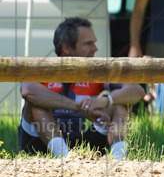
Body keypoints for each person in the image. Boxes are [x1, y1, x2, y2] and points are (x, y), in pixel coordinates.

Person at [20, 17, 145, 159]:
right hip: (40, 142)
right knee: (35, 105)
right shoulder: (43, 68)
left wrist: (105, 101)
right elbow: (27, 91)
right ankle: (65, 159)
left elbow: (137, 90)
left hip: (85, 136)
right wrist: (78, 107)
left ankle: (119, 161)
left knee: (119, 103)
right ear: (67, 48)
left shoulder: (96, 70)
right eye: (88, 44)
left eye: (94, 43)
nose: (95, 48)